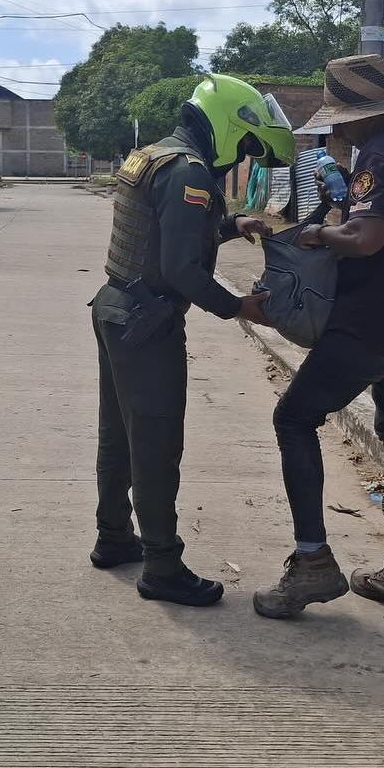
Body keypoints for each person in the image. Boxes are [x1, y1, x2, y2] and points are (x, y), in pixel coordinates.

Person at [252, 54, 384, 620]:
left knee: (294, 418)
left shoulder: (379, 155)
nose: (339, 132)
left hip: (369, 324)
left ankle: (313, 563)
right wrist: (342, 208)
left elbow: (365, 239)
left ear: (363, 114)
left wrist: (317, 233)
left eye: (342, 121)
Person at [90, 74, 296, 607]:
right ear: (229, 125)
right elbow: (181, 269)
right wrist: (238, 308)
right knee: (156, 444)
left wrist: (232, 224)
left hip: (115, 306)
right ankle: (162, 567)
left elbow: (166, 232)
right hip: (147, 322)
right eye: (246, 146)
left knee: (119, 434)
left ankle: (113, 536)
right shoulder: (191, 172)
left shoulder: (158, 155)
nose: (243, 156)